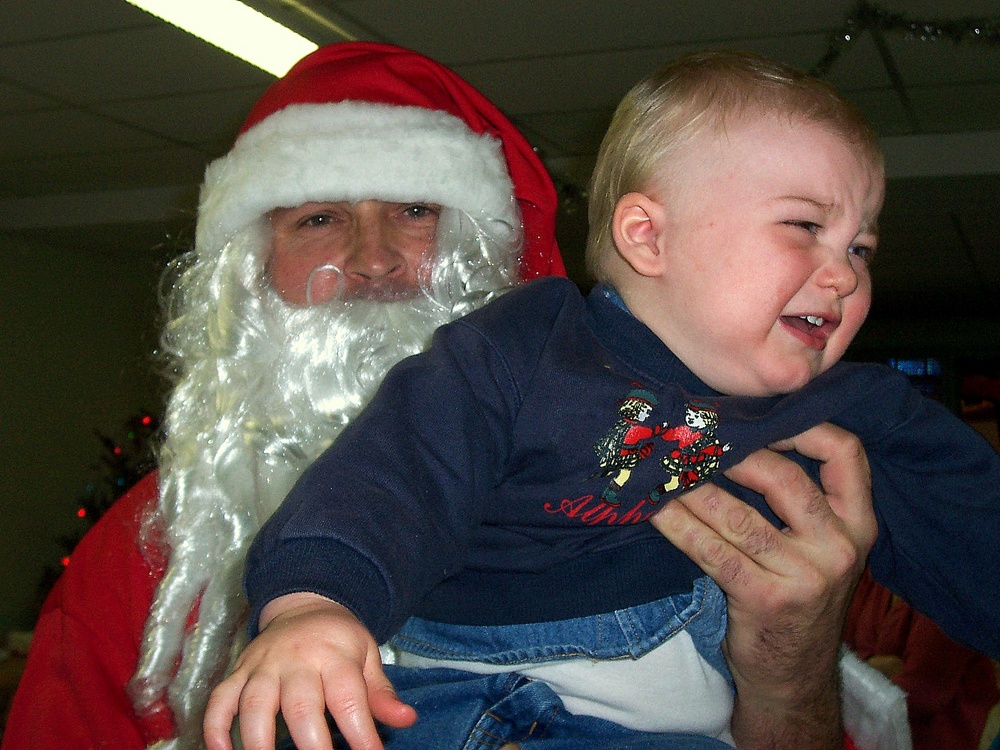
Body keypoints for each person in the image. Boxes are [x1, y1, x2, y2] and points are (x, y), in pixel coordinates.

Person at [2, 44, 870, 750]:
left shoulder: (662, 463)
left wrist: (790, 670)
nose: (375, 261)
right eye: (317, 219)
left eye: (416, 210)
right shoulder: (150, 554)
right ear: (249, 273)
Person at [205, 50, 1000, 750]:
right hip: (441, 701)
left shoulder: (849, 405)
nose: (846, 273)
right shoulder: (530, 340)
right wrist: (313, 607)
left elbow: (970, 522)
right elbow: (395, 470)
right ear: (647, 237)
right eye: (805, 227)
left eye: (860, 245)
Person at [844, 568, 1000, 750]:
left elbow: (920, 693)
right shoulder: (877, 571)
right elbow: (841, 651)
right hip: (869, 734)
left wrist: (859, 672)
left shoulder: (951, 594)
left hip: (932, 739)